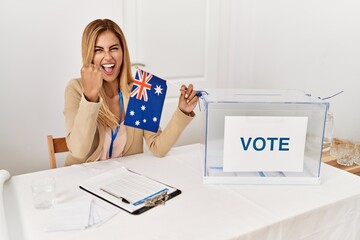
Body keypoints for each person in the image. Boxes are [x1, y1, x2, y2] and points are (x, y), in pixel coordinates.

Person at [63, 19, 199, 166]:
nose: (108, 57)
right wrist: (90, 97)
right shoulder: (75, 88)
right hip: (82, 178)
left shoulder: (140, 89)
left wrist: (183, 111)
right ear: (89, 55)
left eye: (114, 48)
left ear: (123, 52)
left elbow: (158, 147)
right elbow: (78, 151)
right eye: (98, 50)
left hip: (125, 179)